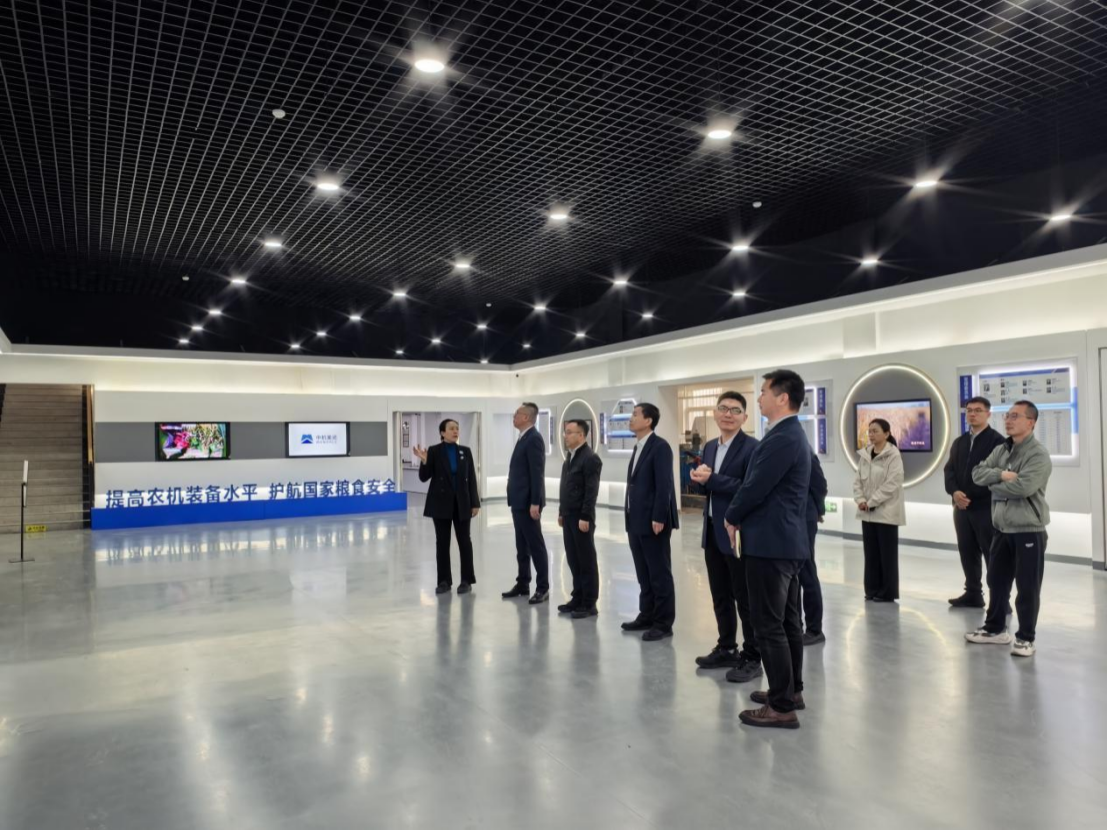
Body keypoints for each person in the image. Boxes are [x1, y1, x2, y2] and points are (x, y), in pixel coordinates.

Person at [724, 370, 811, 729]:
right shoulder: (788, 434)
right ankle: (790, 691)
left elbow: (755, 486)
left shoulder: (783, 437)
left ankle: (780, 706)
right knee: (787, 622)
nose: (758, 398)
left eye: (763, 392)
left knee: (768, 625)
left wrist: (731, 516)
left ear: (782, 398)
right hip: (783, 542)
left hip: (771, 544)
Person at [966, 400, 1052, 658]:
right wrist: (1002, 475)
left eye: (1015, 416)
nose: (1008, 420)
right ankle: (995, 629)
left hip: (1028, 530)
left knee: (1027, 587)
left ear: (1031, 422)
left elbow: (1023, 488)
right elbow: (977, 474)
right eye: (1007, 416)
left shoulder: (1038, 454)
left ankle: (1026, 638)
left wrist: (992, 484)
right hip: (1001, 529)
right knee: (997, 581)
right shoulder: (1002, 449)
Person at [688, 392, 761, 680]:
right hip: (712, 530)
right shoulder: (709, 447)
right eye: (723, 408)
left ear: (745, 417)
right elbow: (710, 487)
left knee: (745, 597)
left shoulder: (752, 448)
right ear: (715, 413)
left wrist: (713, 479)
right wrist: (699, 480)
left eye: (735, 410)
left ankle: (753, 655)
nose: (728, 414)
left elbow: (749, 487)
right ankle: (727, 647)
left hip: (737, 532)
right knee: (720, 594)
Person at [621, 403, 680, 642]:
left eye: (635, 414)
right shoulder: (639, 447)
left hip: (652, 521)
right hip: (635, 519)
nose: (631, 418)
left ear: (648, 421)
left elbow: (664, 484)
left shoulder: (660, 447)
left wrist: (659, 516)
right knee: (643, 572)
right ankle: (647, 614)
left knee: (659, 573)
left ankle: (663, 623)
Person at [944, 396, 1006, 608]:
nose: (972, 414)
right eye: (969, 410)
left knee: (992, 554)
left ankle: (1000, 600)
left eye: (978, 410)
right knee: (967, 551)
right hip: (961, 509)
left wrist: (969, 495)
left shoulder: (998, 442)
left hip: (985, 508)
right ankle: (973, 593)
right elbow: (949, 471)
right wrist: (955, 493)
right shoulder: (959, 442)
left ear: (988, 414)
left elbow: (997, 474)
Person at [415, 420, 481, 595]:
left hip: (462, 503)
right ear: (442, 433)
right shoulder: (434, 451)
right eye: (451, 428)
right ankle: (444, 581)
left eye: (457, 428)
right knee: (442, 543)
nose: (455, 431)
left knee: (465, 542)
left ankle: (466, 580)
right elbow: (424, 477)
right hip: (440, 503)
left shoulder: (465, 451)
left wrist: (475, 502)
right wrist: (424, 461)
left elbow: (471, 478)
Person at [502, 402, 550, 605]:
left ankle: (543, 587)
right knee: (521, 546)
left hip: (528, 502)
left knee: (535, 545)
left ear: (527, 418)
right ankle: (523, 583)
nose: (514, 416)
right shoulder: (523, 438)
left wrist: (535, 502)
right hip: (518, 501)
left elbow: (537, 474)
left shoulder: (534, 439)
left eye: (517, 413)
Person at [853, 419, 906, 603]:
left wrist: (872, 501)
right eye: (870, 431)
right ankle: (872, 589)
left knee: (887, 555)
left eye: (875, 431)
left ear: (886, 433)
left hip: (886, 513)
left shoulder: (893, 455)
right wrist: (861, 500)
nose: (871, 434)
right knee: (871, 554)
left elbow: (893, 483)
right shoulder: (865, 455)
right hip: (867, 512)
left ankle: (887, 592)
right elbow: (857, 481)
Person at [557, 420, 603, 619]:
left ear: (581, 435)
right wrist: (561, 511)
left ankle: (589, 602)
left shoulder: (590, 458)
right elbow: (565, 486)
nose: (565, 436)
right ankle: (578, 596)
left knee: (586, 560)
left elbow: (591, 490)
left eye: (570, 432)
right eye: (565, 432)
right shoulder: (570, 457)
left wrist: (585, 515)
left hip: (581, 517)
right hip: (568, 515)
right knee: (573, 558)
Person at [800, 453, 828, 645]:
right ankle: (795, 625)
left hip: (804, 518)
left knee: (807, 571)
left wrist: (818, 510)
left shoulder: (807, 454)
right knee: (793, 575)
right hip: (791, 518)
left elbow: (820, 486)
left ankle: (814, 629)